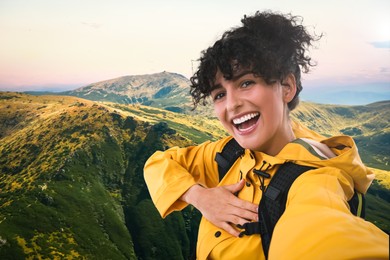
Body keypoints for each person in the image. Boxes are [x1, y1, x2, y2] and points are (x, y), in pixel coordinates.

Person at [144, 11, 389, 259]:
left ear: (287, 87)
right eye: (219, 94)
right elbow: (159, 163)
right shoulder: (229, 152)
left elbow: (326, 236)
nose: (231, 105)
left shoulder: (316, 180)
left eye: (246, 83)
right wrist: (199, 196)